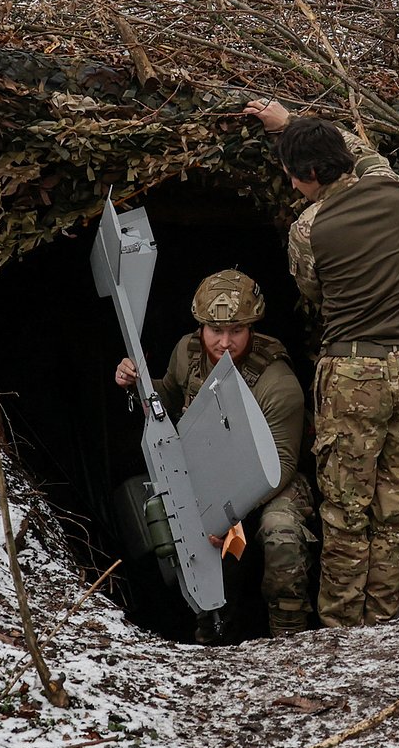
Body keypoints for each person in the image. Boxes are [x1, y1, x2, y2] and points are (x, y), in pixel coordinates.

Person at [244, 98, 399, 628]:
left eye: (293, 174)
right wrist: (292, 124)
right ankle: (383, 620)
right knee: (397, 509)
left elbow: (312, 291)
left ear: (311, 175)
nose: (291, 184)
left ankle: (342, 631)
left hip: (356, 374)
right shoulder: (390, 189)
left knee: (345, 512)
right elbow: (363, 150)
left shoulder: (308, 229)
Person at [114, 269, 315, 639]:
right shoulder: (187, 354)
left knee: (281, 532)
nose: (225, 342)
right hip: (211, 472)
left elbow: (282, 464)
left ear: (251, 327)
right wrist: (136, 382)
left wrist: (227, 514)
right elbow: (166, 397)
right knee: (181, 534)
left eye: (236, 330)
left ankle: (289, 638)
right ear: (201, 327)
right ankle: (212, 636)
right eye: (215, 330)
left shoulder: (277, 381)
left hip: (272, 482)